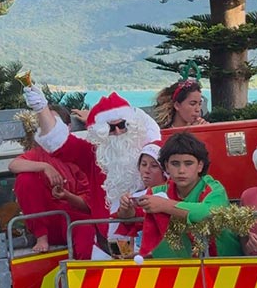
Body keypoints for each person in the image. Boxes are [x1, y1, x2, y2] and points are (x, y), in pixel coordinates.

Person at [23, 85, 160, 258]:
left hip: (155, 237)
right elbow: (60, 142)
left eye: (122, 125)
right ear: (101, 132)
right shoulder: (94, 156)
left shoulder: (151, 153)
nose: (117, 132)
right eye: (111, 128)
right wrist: (42, 108)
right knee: (121, 273)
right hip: (114, 239)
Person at [135, 132, 241, 259]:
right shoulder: (155, 192)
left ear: (200, 166)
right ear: (166, 166)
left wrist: (165, 206)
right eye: (175, 163)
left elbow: (209, 212)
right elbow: (137, 220)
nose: (181, 170)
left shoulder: (213, 189)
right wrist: (127, 211)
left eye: (188, 163)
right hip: (176, 270)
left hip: (226, 267)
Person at [8, 105, 93, 258]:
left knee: (87, 227)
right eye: (45, 125)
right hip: (47, 221)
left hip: (73, 220)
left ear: (67, 128)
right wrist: (44, 167)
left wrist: (66, 196)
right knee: (25, 177)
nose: (49, 129)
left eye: (54, 124)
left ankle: (83, 271)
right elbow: (14, 165)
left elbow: (88, 205)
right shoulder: (39, 153)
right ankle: (41, 237)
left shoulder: (80, 155)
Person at [114, 142, 166, 253]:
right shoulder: (134, 196)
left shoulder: (171, 193)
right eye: (143, 164)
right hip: (139, 258)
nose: (147, 170)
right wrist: (125, 208)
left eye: (154, 166)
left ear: (164, 170)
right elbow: (127, 225)